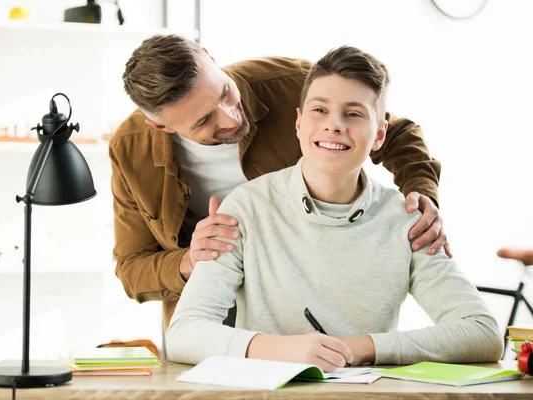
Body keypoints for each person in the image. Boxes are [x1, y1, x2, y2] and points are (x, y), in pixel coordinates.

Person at [165, 46, 503, 369]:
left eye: (353, 114)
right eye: (319, 110)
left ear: (380, 135)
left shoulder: (407, 220)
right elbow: (184, 333)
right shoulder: (245, 207)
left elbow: (482, 332)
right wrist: (283, 349)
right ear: (298, 123)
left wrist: (361, 349)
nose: (334, 124)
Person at [110, 34, 449, 329]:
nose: (230, 117)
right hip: (209, 313)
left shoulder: (292, 84)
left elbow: (394, 131)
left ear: (211, 59)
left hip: (307, 299)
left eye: (225, 92)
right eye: (204, 120)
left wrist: (422, 193)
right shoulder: (130, 149)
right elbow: (131, 268)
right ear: (161, 126)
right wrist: (188, 261)